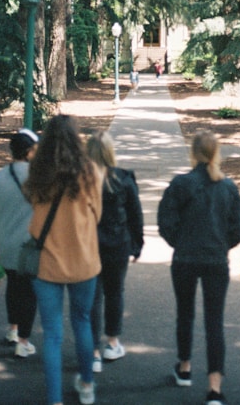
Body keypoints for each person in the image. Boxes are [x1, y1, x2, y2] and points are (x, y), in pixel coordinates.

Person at [157, 130, 240, 405]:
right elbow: (239, 228)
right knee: (214, 321)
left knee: (185, 313)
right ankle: (214, 388)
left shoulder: (181, 184)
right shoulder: (228, 187)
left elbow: (166, 221)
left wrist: (180, 243)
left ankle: (184, 367)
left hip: (185, 258)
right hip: (215, 260)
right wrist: (221, 245)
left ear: (193, 153)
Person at [24, 115, 102, 405]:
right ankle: (86, 384)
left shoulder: (38, 171)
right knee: (82, 322)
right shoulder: (90, 171)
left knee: (53, 335)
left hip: (48, 263)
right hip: (83, 260)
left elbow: (33, 207)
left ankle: (54, 399)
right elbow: (97, 214)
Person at [86, 130, 144, 373]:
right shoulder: (124, 179)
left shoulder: (82, 181)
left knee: (93, 297)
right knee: (115, 293)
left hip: (89, 245)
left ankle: (93, 352)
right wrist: (137, 244)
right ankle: (112, 342)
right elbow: (135, 215)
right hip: (117, 244)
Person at [0, 128, 39, 358]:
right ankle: (23, 341)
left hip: (5, 245)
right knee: (28, 292)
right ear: (28, 151)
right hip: (29, 247)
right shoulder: (38, 177)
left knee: (13, 285)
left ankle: (13, 330)